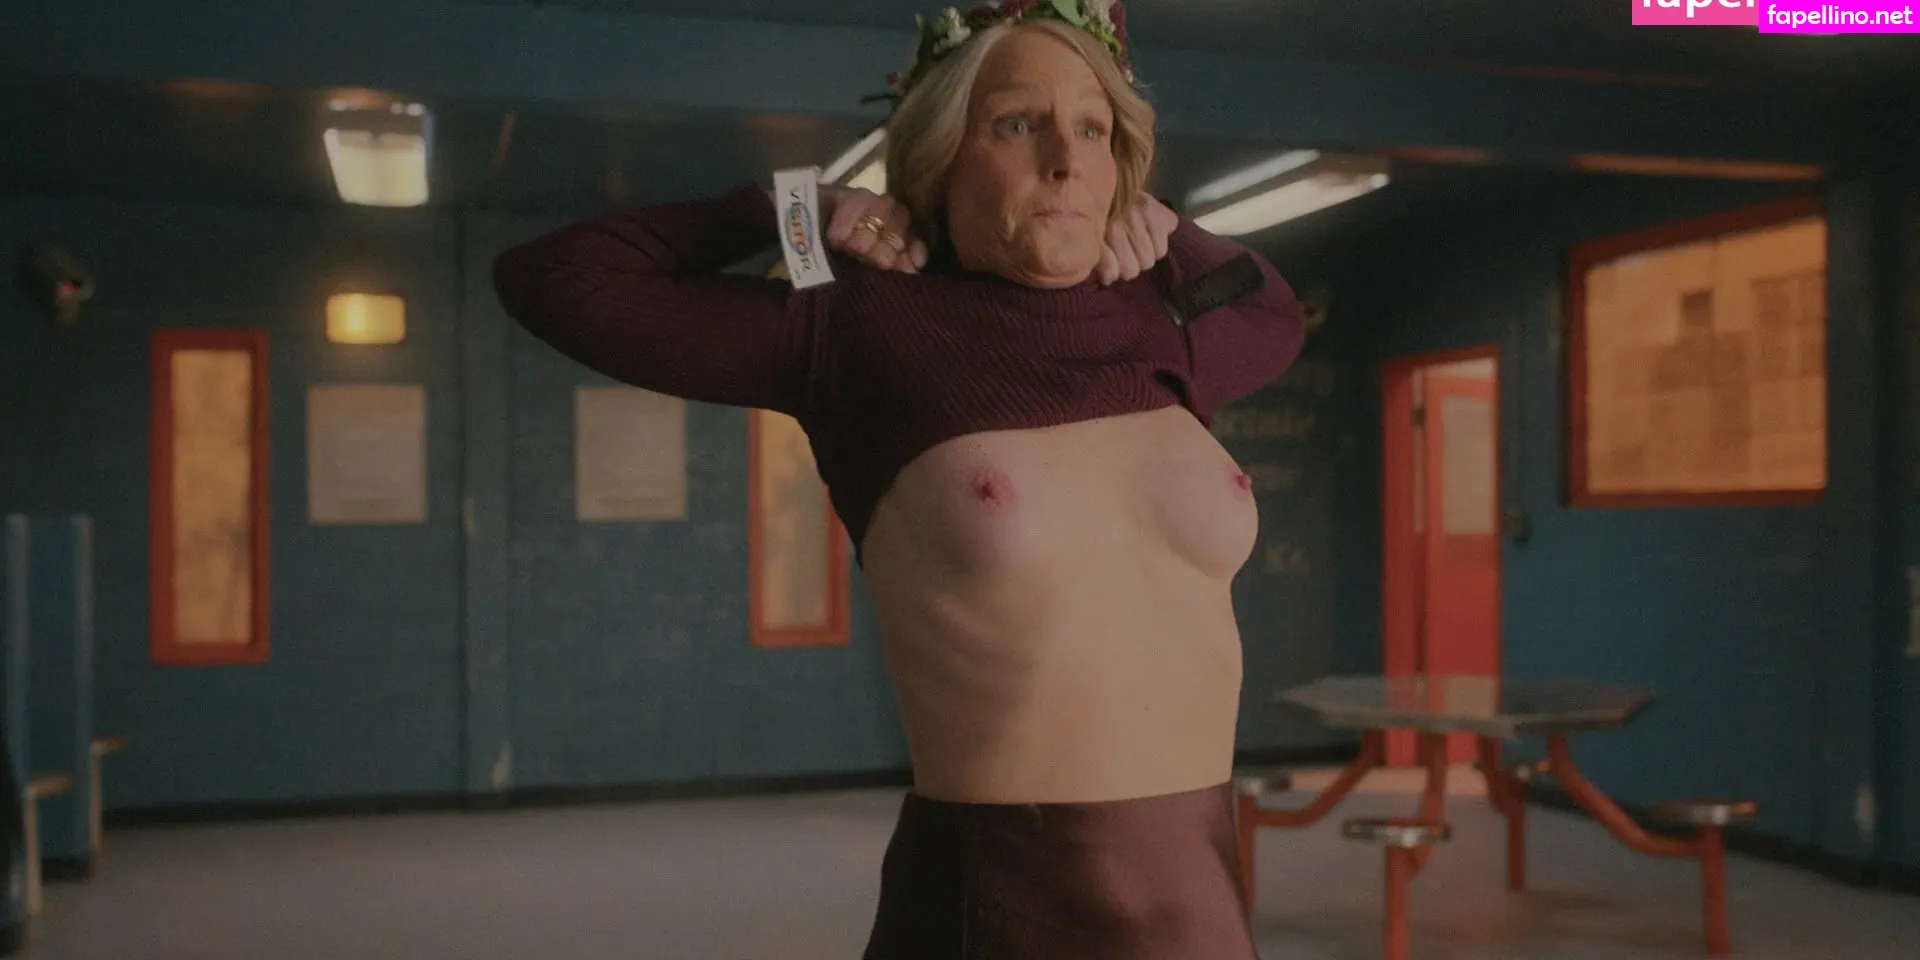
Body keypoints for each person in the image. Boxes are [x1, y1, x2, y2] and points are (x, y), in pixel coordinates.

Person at [493, 1, 1306, 955]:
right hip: (1001, 900)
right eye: (1017, 123)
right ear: (939, 155)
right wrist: (795, 206)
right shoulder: (860, 323)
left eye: (1094, 130)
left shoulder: (1162, 326)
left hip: (1201, 897)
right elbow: (558, 280)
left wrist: (1173, 233)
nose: (1066, 160)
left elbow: (1276, 312)